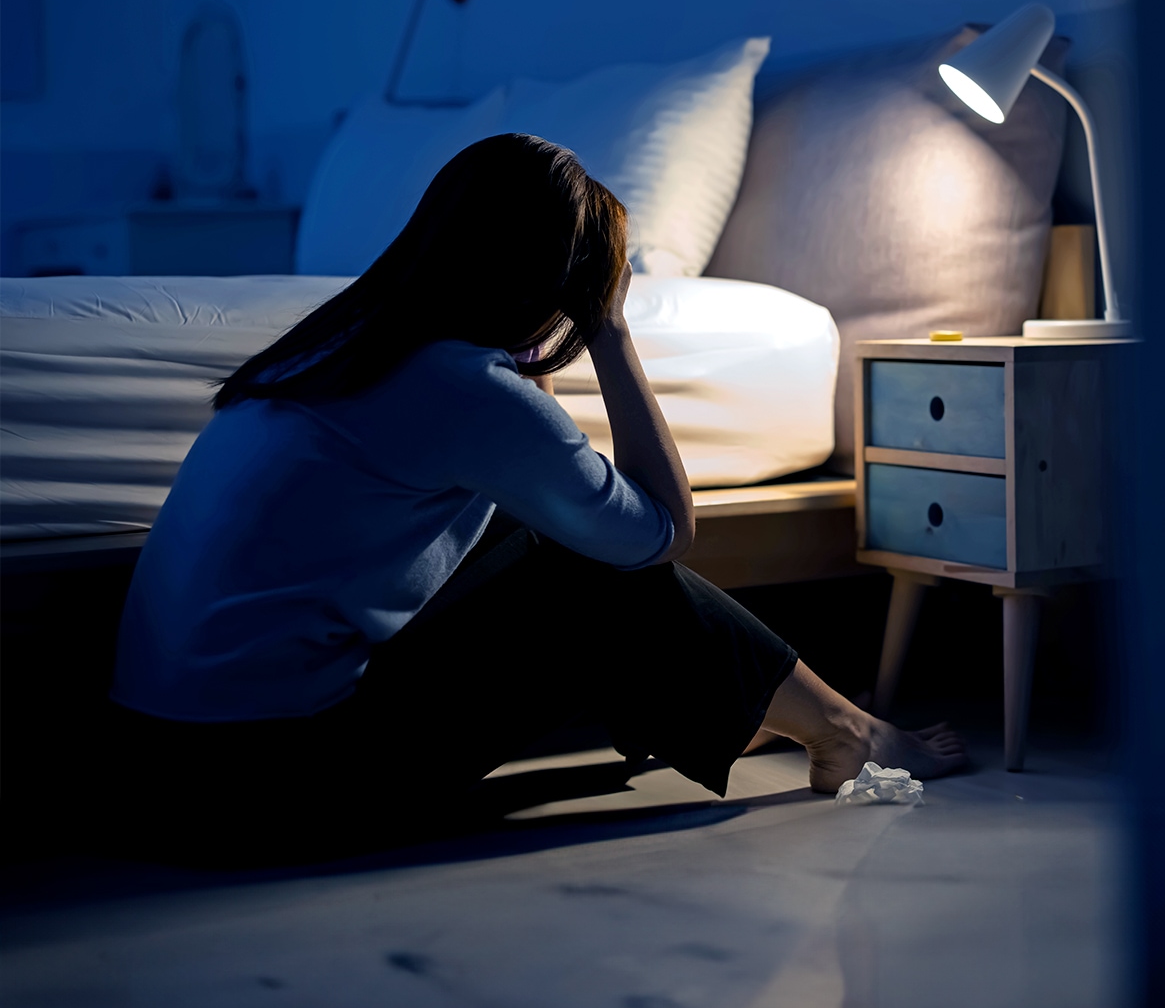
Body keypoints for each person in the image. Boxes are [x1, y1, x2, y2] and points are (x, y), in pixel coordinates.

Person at [109, 133, 963, 860]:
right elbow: (665, 531)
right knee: (598, 574)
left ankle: (738, 711)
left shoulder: (338, 343)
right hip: (265, 794)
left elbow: (547, 491)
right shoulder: (457, 384)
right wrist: (611, 330)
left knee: (541, 533)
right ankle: (846, 735)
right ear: (552, 281)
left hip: (162, 770)